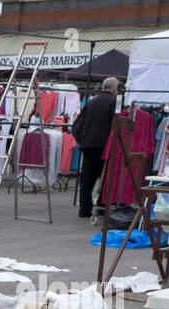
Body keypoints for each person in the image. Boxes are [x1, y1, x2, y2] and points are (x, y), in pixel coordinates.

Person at [72, 77, 119, 218]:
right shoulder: (114, 102)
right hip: (104, 145)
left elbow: (77, 125)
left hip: (88, 144)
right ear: (115, 90)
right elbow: (116, 125)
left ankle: (84, 209)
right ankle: (102, 207)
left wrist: (82, 140)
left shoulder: (91, 102)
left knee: (87, 178)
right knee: (104, 177)